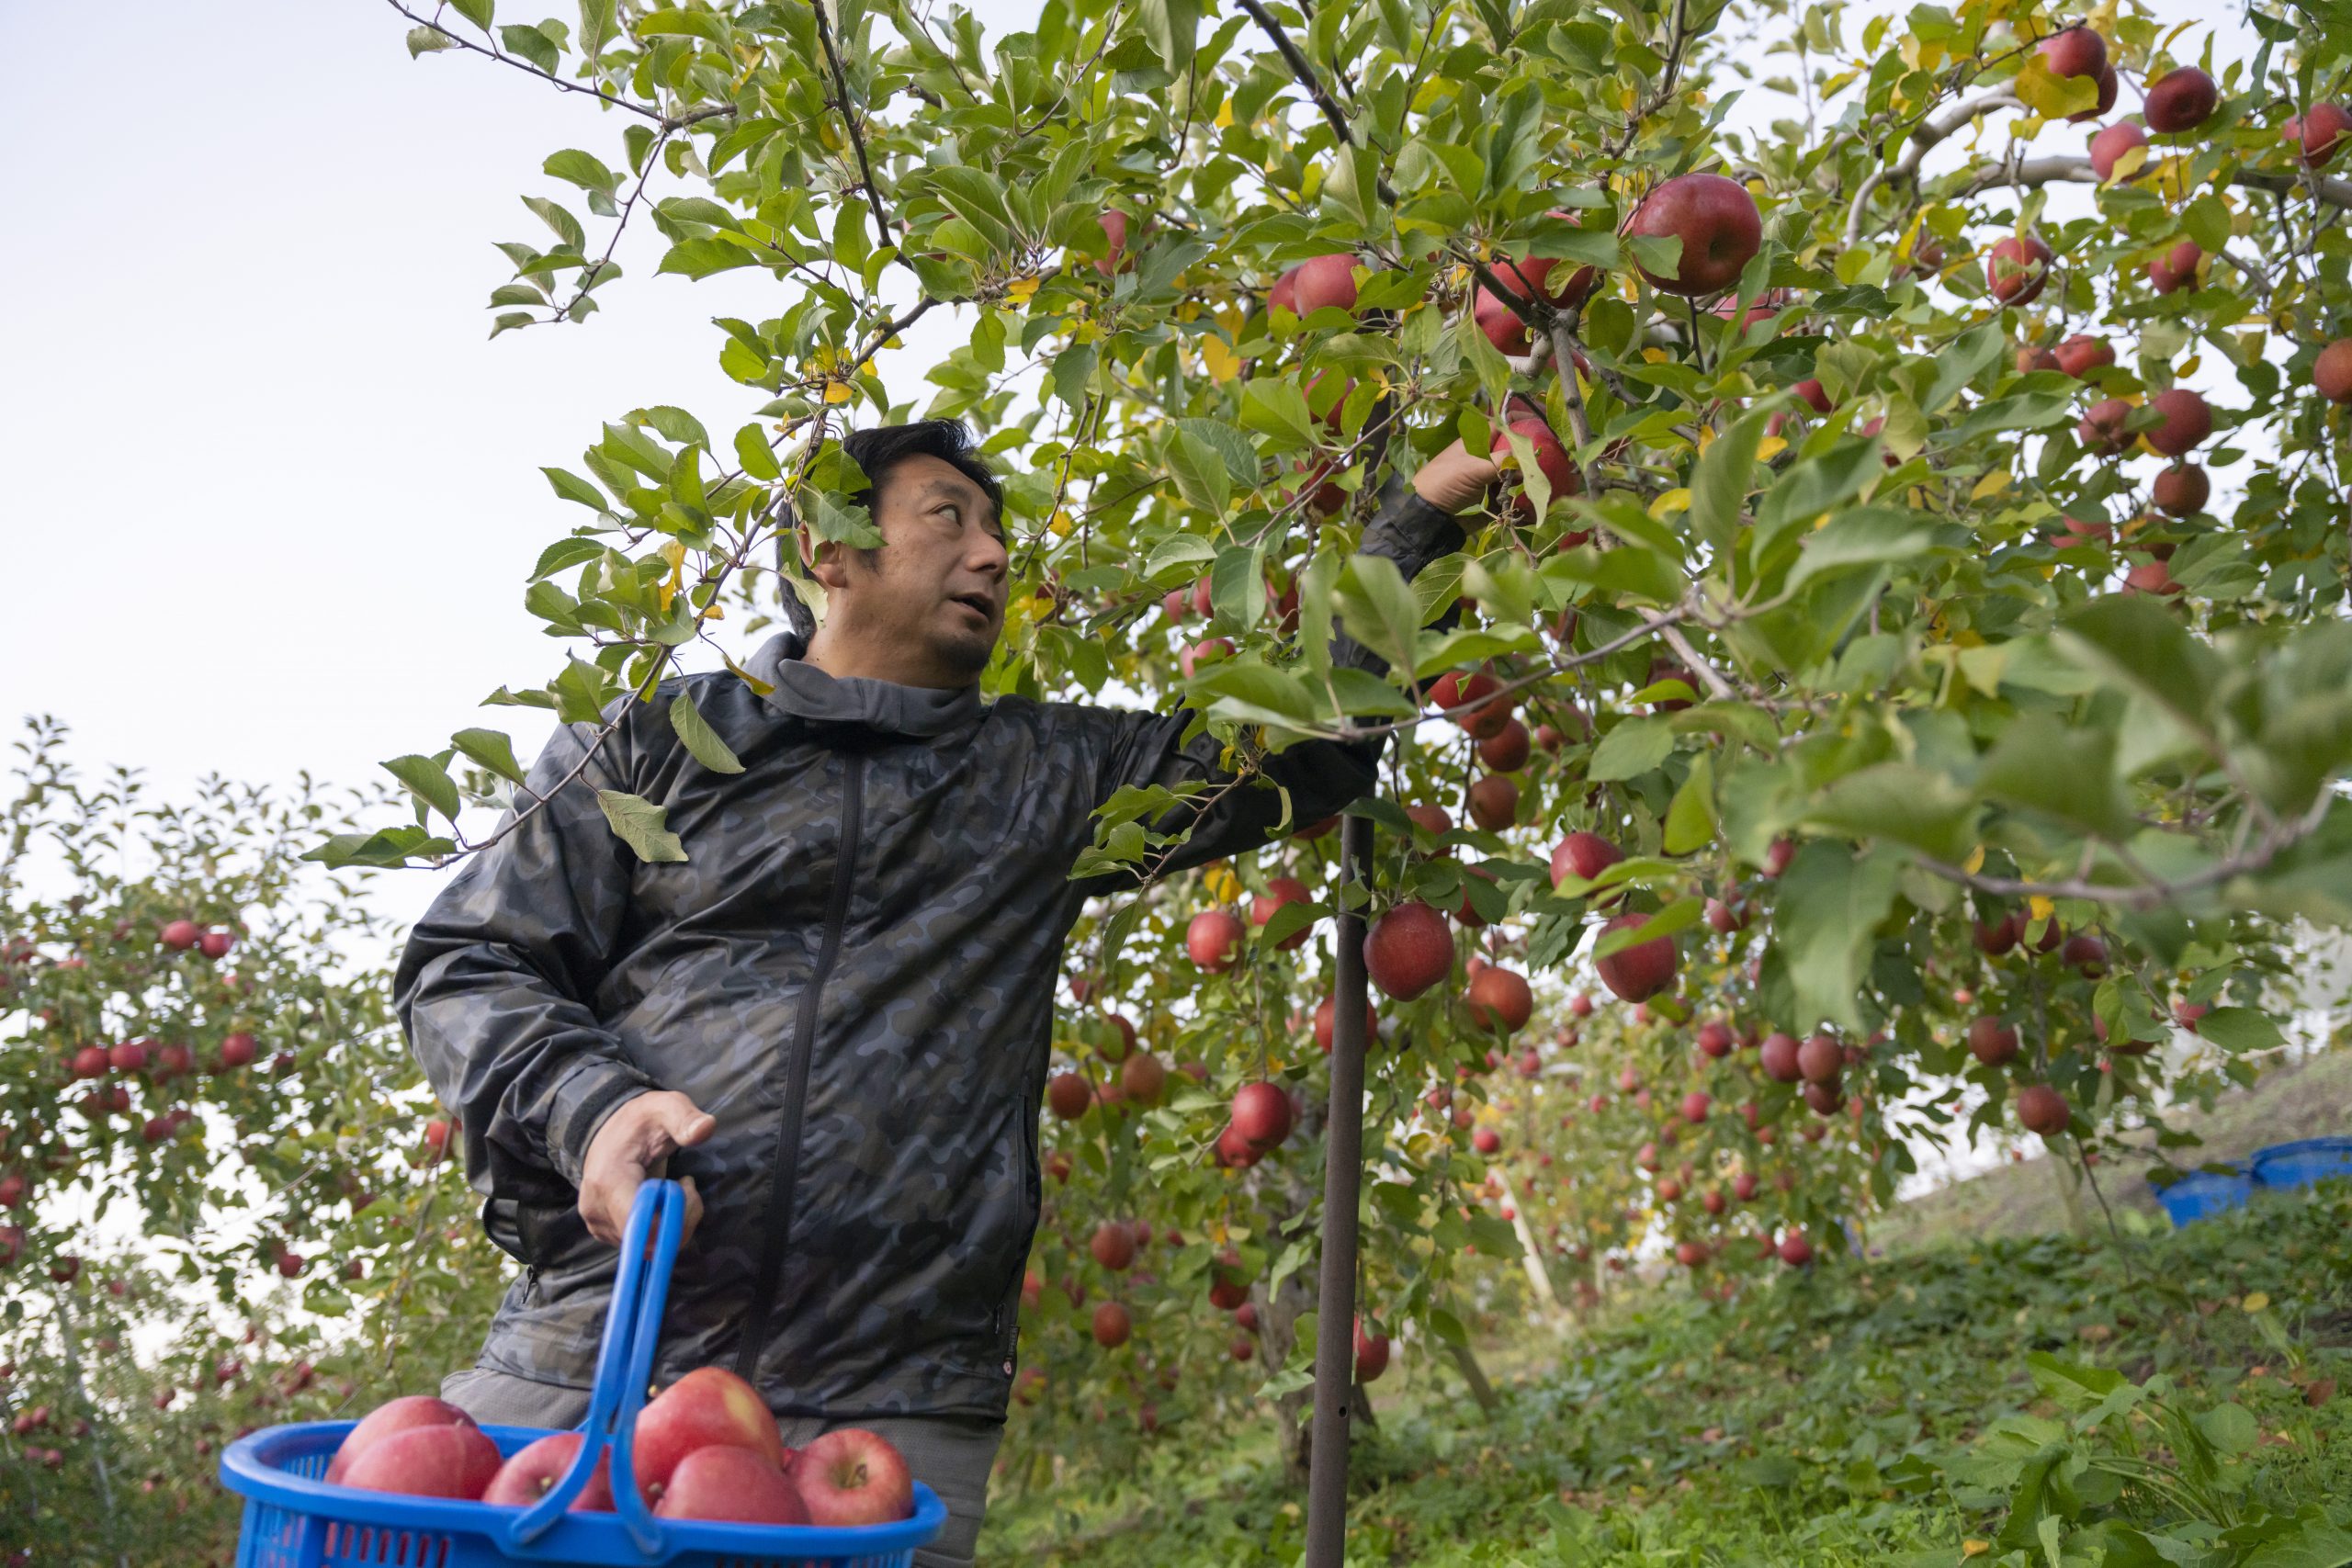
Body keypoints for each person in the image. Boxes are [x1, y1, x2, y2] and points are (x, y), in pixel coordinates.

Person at [394, 419, 1496, 1563]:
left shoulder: (1052, 777)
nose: (995, 555)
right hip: (589, 1351)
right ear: (829, 548)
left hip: (889, 1403)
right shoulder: (653, 745)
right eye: (948, 518)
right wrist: (593, 1107)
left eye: (999, 531)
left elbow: (1300, 743)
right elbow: (466, 962)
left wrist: (1421, 514)